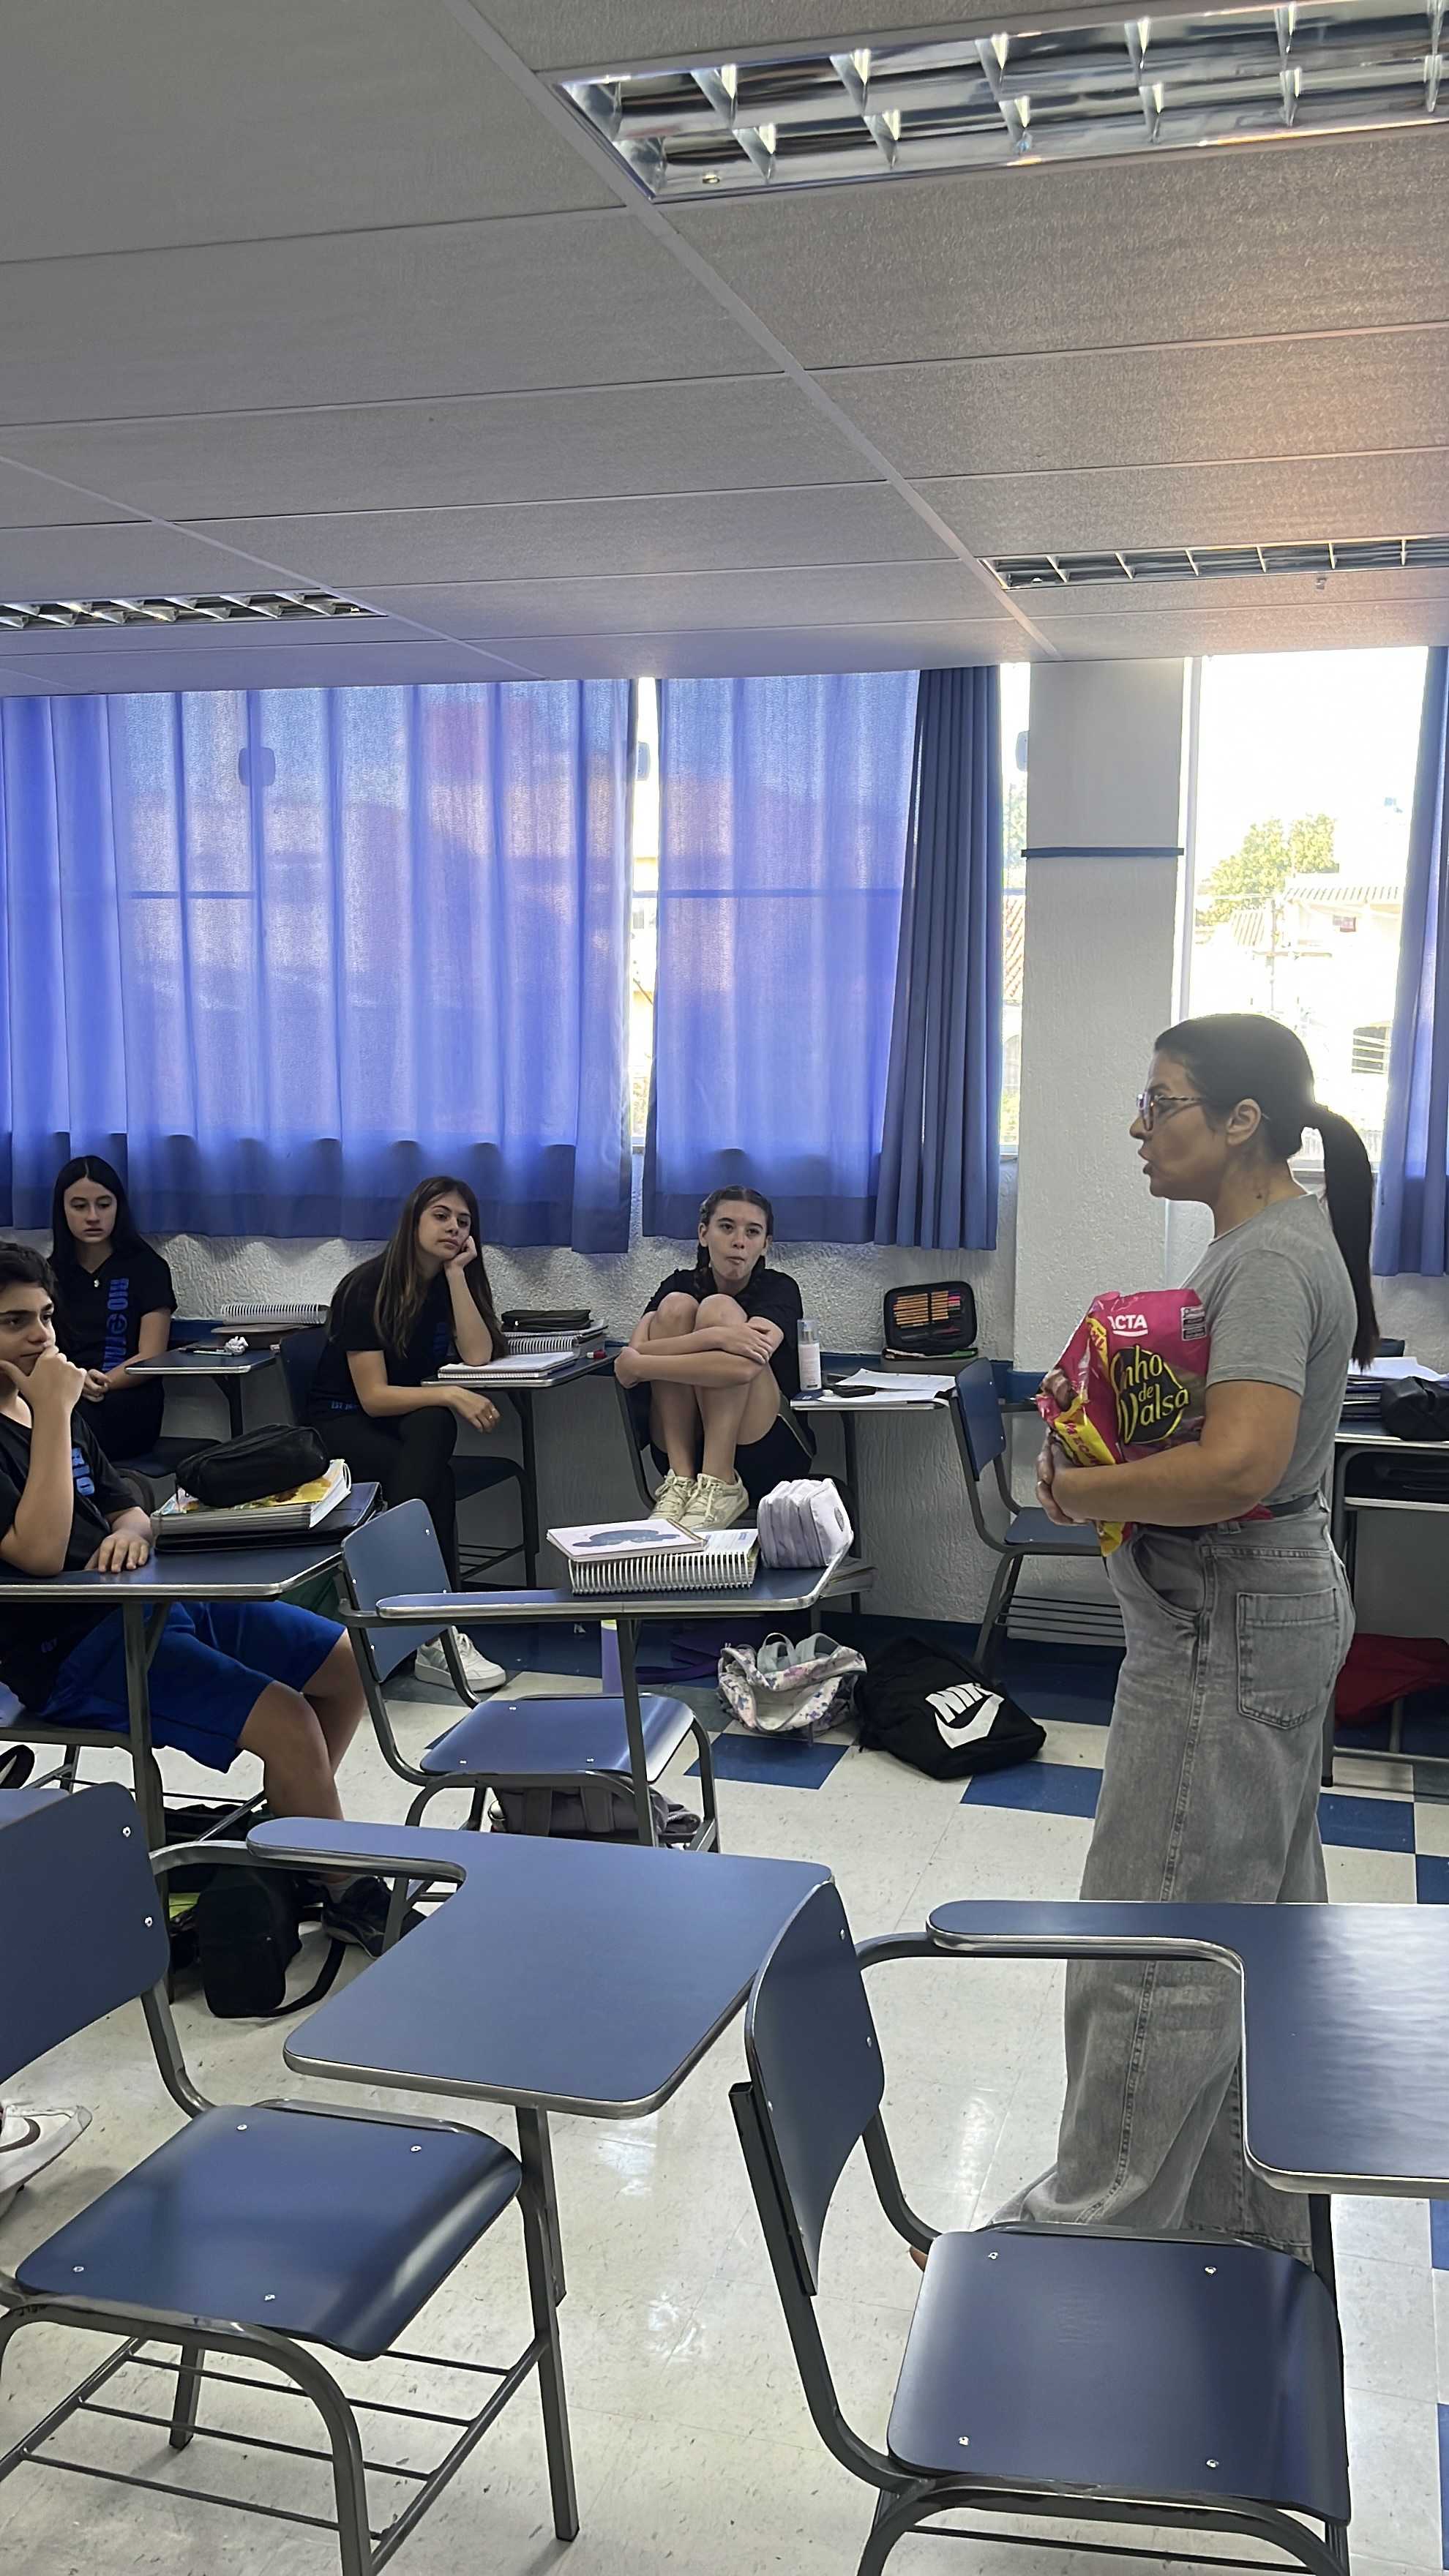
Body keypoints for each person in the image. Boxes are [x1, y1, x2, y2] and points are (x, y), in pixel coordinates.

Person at [1007, 1012, 1368, 2262]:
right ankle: (1241, 2240)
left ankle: (1076, 2250)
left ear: (1241, 1121)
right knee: (1249, 1940)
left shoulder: (1266, 1262)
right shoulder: (1264, 1245)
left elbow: (1239, 1467)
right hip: (1252, 1614)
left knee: (1153, 1946)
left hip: (1227, 1623)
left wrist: (1079, 1490)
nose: (1139, 1127)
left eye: (1160, 1103)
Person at [0, 1242, 397, 1955]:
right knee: (290, 1721)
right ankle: (342, 1888)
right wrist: (54, 1412)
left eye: (47, 1316)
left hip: (149, 1601)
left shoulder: (49, 1408)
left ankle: (293, 1838)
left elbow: (126, 1503)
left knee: (345, 1663)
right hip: (72, 1652)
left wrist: (131, 1532)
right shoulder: (47, 1410)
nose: (41, 1335)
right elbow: (38, 1553)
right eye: (14, 1322)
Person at [308, 1176, 509, 1695]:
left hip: (399, 1425)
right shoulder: (366, 1287)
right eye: (441, 1216)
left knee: (434, 1428)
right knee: (437, 1466)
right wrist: (452, 1394)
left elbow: (478, 1356)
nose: (453, 1228)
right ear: (413, 1220)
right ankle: (437, 1628)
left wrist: (458, 1275)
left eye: (464, 1222)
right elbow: (374, 1397)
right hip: (341, 1423)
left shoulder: (448, 1283)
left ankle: (410, 1613)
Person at [615, 1186, 815, 1530]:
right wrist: (716, 1338)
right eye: (727, 1227)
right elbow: (628, 1364)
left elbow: (741, 1368)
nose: (739, 1242)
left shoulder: (780, 1288)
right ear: (703, 1234)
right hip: (683, 1449)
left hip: (762, 1452)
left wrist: (643, 1363)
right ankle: (680, 1481)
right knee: (678, 1307)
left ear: (765, 1244)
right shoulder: (676, 1285)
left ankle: (722, 1482)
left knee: (718, 1309)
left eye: (752, 1232)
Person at [48, 1156, 176, 1464]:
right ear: (62, 1210)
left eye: (104, 1205)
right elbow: (40, 1349)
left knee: (61, 1427)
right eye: (80, 1206)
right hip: (64, 1395)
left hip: (126, 1402)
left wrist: (97, 1383)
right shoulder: (49, 1274)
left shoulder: (147, 1267)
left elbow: (151, 1354)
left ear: (119, 1207)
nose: (93, 1216)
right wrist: (72, 1383)